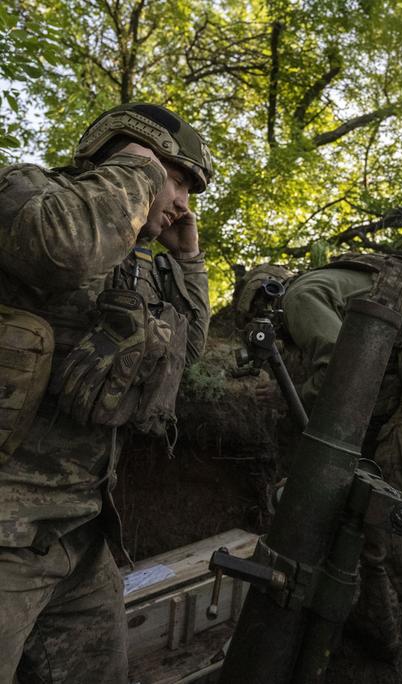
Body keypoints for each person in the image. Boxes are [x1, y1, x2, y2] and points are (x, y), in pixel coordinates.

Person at [0, 103, 212, 683]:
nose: (184, 203)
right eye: (180, 179)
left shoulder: (141, 262)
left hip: (83, 539)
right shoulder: (28, 193)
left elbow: (184, 357)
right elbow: (60, 248)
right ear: (127, 154)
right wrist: (143, 171)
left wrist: (188, 261)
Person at [234, 254, 402, 684]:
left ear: (263, 302)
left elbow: (340, 370)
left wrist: (291, 396)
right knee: (373, 527)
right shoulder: (329, 284)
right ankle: (379, 638)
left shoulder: (297, 297)